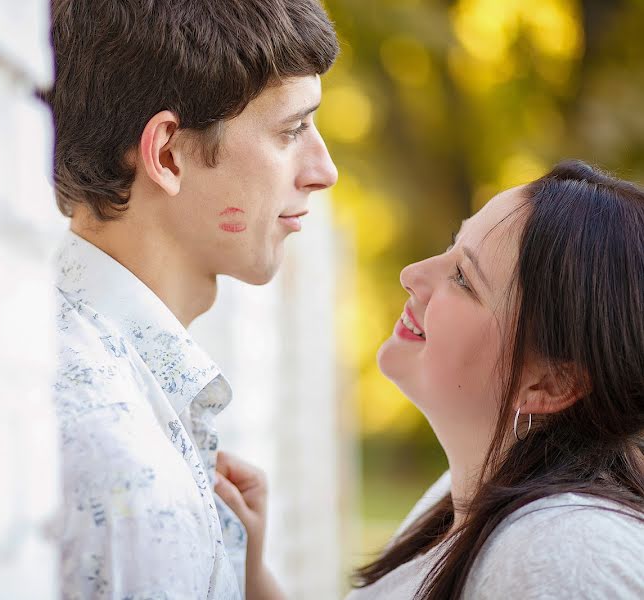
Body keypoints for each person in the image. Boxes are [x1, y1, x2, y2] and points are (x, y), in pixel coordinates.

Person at [215, 160, 644, 599]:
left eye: (463, 278)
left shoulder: (564, 563)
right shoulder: (466, 498)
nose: (413, 274)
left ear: (550, 384)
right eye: (452, 246)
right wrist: (253, 573)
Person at [44, 0, 339, 597]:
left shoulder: (76, 361)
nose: (323, 170)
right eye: (291, 129)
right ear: (168, 155)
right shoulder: (124, 471)